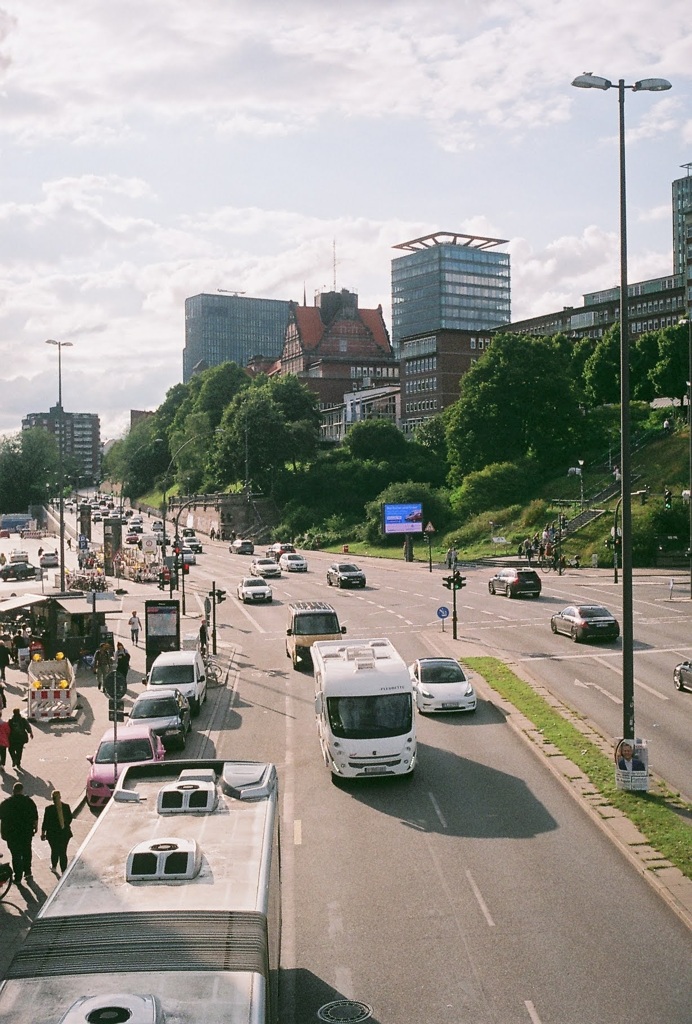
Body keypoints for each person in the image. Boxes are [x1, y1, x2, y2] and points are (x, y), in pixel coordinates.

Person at [0, 781, 38, 884]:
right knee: (27, 852)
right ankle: (28, 871)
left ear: (13, 791)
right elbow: (35, 817)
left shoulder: (6, 803)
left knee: (16, 855)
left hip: (11, 834)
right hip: (26, 832)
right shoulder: (29, 801)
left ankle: (18, 877)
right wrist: (35, 827)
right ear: (22, 790)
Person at [41, 790, 73, 874]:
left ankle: (54, 866)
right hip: (64, 834)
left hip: (52, 834)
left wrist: (43, 833)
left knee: (54, 850)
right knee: (63, 852)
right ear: (60, 797)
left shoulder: (49, 809)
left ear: (52, 799)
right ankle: (64, 870)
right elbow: (70, 818)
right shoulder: (66, 807)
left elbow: (45, 822)